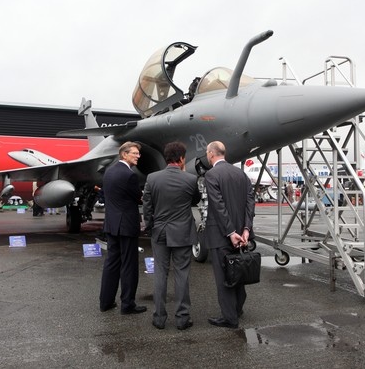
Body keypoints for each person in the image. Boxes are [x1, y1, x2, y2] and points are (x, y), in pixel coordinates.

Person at [142, 142, 200, 330]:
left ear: (166, 157)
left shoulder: (152, 178)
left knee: (160, 273)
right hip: (182, 233)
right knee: (182, 274)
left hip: (160, 232)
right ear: (182, 158)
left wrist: (151, 228)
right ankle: (182, 318)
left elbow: (147, 208)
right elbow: (195, 200)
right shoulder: (190, 179)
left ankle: (159, 317)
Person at [203, 141, 255, 329]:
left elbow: (218, 206)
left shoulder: (211, 174)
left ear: (211, 154)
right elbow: (250, 202)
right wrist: (246, 229)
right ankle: (238, 308)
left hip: (221, 234)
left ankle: (229, 317)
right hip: (243, 234)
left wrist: (231, 232)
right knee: (237, 272)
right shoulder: (241, 173)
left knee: (223, 276)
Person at [99, 141, 146, 315]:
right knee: (129, 265)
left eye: (138, 153)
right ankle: (128, 304)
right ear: (124, 154)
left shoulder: (109, 172)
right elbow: (139, 198)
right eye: (134, 153)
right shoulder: (130, 175)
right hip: (126, 225)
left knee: (111, 263)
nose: (138, 156)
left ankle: (105, 301)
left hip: (111, 225)